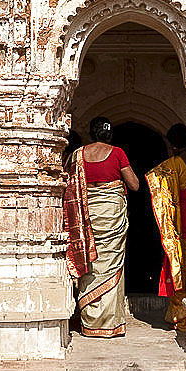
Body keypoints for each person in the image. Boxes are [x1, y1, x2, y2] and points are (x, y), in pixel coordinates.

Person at [62, 116, 139, 338]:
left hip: (86, 217)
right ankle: (109, 325)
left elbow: (68, 184)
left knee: (90, 262)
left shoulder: (77, 155)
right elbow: (134, 185)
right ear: (110, 134)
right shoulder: (117, 153)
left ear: (91, 133)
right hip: (111, 217)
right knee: (111, 265)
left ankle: (90, 322)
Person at [145, 123, 186, 332]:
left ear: (173, 143)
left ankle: (182, 317)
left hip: (185, 218)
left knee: (184, 267)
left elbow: (155, 177)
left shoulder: (176, 163)